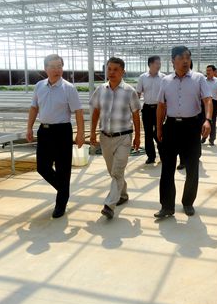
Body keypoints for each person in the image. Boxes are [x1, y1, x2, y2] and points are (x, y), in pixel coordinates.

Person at [155, 46, 213, 218]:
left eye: (188, 57)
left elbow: (208, 100)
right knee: (167, 167)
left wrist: (208, 120)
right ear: (173, 61)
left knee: (192, 167)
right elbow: (161, 105)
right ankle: (167, 206)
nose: (185, 61)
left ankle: (188, 202)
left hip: (191, 126)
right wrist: (159, 128)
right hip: (171, 126)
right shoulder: (165, 81)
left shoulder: (198, 78)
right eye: (181, 58)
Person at [26, 54, 85, 219]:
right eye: (52, 67)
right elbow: (34, 108)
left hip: (62, 131)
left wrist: (80, 133)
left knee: (62, 167)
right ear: (45, 69)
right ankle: (64, 189)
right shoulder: (39, 86)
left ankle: (61, 203)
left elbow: (78, 112)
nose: (56, 70)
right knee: (42, 167)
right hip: (44, 131)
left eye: (59, 66)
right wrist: (29, 128)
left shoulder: (69, 88)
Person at [90, 57, 141, 220]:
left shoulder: (129, 91)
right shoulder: (100, 90)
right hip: (105, 137)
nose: (111, 72)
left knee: (117, 171)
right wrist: (92, 132)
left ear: (122, 72)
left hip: (123, 137)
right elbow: (96, 111)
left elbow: (136, 115)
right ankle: (123, 194)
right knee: (113, 172)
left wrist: (138, 137)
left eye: (115, 70)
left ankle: (109, 205)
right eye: (109, 69)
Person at [136, 55, 164, 164]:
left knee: (159, 132)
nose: (159, 65)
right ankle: (151, 156)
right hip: (147, 108)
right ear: (150, 64)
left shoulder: (163, 78)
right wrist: (135, 107)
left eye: (159, 63)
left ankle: (163, 154)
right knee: (148, 134)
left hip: (159, 108)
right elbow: (138, 93)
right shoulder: (142, 77)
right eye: (157, 63)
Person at [204, 65, 217, 145]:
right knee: (203, 120)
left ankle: (212, 139)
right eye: (207, 70)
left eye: (209, 70)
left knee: (212, 121)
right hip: (204, 102)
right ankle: (204, 136)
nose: (208, 72)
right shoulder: (203, 80)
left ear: (214, 72)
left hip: (214, 102)